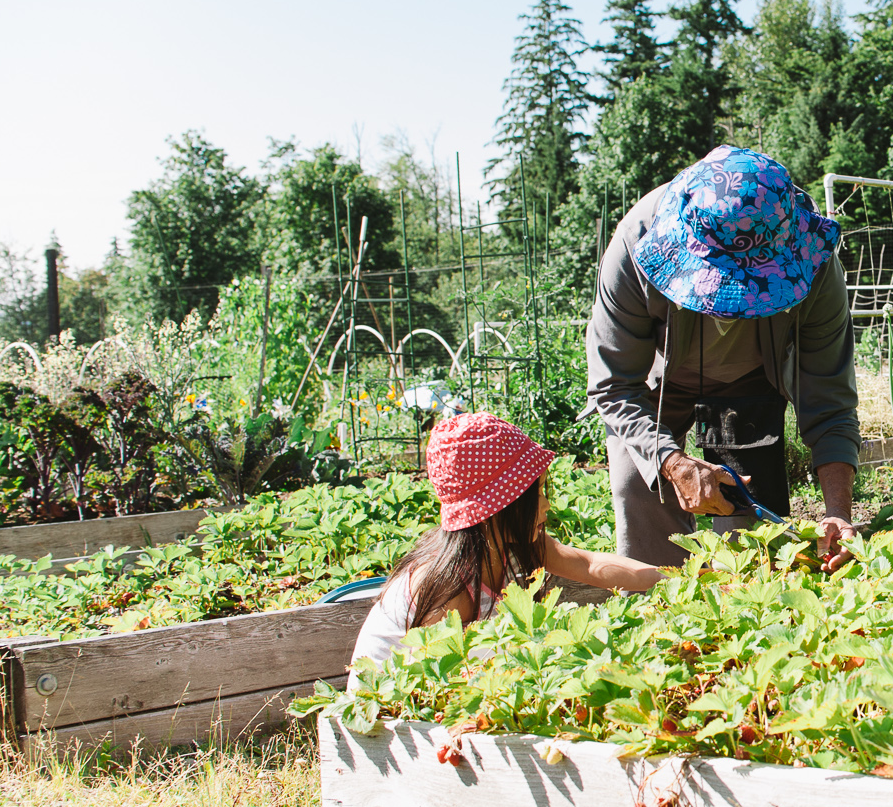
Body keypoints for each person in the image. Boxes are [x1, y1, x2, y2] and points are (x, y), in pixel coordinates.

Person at [587, 145, 862, 570]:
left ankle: (748, 609)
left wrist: (838, 512)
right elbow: (614, 383)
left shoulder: (813, 263)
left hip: (753, 378)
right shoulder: (636, 245)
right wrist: (670, 461)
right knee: (637, 487)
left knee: (751, 537)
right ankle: (657, 610)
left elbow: (830, 399)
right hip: (660, 384)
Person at [348, 412, 661, 681]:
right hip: (387, 724)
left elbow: (588, 565)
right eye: (535, 495)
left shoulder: (513, 544)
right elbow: (444, 682)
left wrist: (678, 576)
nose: (547, 504)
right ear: (498, 507)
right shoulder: (445, 586)